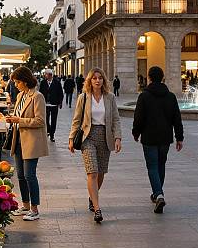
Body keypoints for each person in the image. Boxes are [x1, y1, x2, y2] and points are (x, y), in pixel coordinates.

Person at [68, 67, 122, 223]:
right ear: (89, 81)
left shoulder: (110, 97)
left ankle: (93, 196)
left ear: (103, 80)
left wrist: (118, 137)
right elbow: (76, 120)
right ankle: (97, 209)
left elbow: (116, 119)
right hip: (88, 137)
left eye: (100, 78)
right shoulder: (84, 97)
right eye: (94, 78)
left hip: (106, 137)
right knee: (92, 172)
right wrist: (71, 138)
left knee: (101, 173)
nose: (97, 80)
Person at [132, 66, 183, 214]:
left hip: (149, 137)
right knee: (161, 165)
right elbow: (177, 119)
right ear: (162, 78)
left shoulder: (144, 96)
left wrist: (136, 132)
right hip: (165, 138)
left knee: (152, 166)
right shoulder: (171, 96)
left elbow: (138, 117)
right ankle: (157, 193)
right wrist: (179, 137)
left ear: (149, 78)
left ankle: (159, 194)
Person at [5, 66, 48, 221]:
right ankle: (25, 205)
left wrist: (19, 120)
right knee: (21, 175)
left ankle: (35, 209)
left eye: (17, 82)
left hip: (31, 141)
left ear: (24, 81)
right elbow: (18, 115)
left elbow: (40, 120)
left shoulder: (37, 96)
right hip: (18, 140)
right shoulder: (20, 96)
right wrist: (12, 119)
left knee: (30, 175)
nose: (15, 85)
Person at [39, 70, 63, 142]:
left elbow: (60, 93)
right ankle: (48, 130)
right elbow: (40, 92)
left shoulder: (57, 83)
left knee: (53, 120)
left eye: (46, 74)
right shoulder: (43, 82)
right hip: (45, 104)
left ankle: (52, 135)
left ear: (50, 75)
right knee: (45, 119)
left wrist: (60, 102)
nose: (45, 76)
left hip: (54, 104)